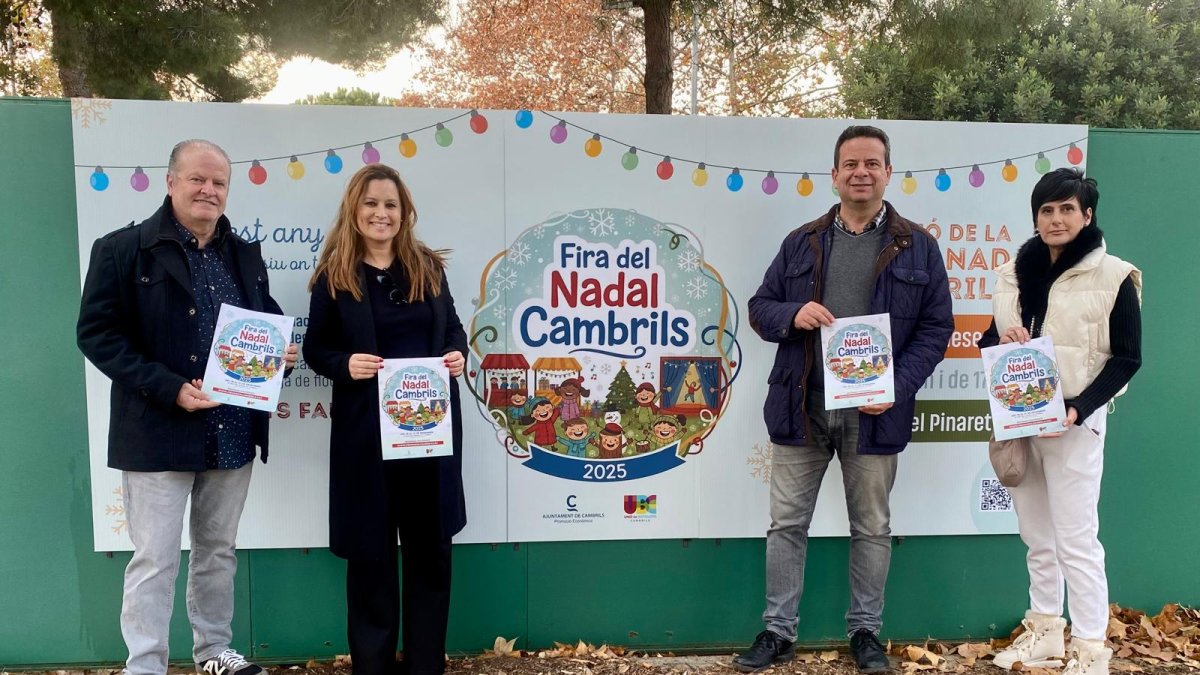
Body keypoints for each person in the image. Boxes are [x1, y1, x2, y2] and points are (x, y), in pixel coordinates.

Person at [739, 125, 954, 673]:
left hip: (874, 414)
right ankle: (778, 633)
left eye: (872, 163)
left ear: (888, 173)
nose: (861, 171)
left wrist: (895, 387)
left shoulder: (918, 246)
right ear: (834, 175)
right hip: (802, 408)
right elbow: (760, 308)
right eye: (851, 163)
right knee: (785, 525)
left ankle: (865, 634)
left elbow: (935, 331)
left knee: (872, 527)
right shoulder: (801, 242)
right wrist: (793, 314)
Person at [76, 139, 297, 675]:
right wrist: (168, 386)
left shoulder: (244, 254)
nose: (208, 190)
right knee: (155, 559)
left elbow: (262, 320)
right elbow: (97, 335)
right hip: (156, 430)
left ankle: (214, 653)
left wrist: (279, 355)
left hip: (232, 431)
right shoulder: (122, 249)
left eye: (219, 182)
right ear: (170, 182)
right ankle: (146, 664)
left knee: (218, 550)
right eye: (197, 179)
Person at [303, 164, 467, 675]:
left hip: (428, 439)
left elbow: (454, 332)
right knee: (370, 558)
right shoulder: (335, 276)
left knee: (430, 558)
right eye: (371, 203)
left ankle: (425, 666)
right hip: (366, 442)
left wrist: (456, 356)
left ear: (404, 212)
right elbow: (315, 349)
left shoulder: (428, 268)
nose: (381, 213)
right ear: (355, 210)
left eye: (391, 204)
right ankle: (372, 666)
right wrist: (344, 364)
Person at [980, 168, 1141, 675]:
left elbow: (1127, 358)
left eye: (1067, 208)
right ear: (1036, 217)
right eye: (1047, 210)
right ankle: (1046, 632)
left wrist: (1078, 407)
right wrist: (1000, 341)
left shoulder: (1114, 275)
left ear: (1087, 215)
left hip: (1074, 424)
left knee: (1076, 537)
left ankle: (1091, 649)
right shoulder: (1012, 273)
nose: (1056, 218)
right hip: (1022, 420)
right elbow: (989, 341)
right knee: (1036, 535)